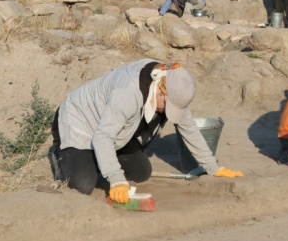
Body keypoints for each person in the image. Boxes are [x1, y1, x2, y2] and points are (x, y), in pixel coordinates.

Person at [50, 60, 242, 203]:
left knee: (141, 172)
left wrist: (213, 167)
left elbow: (189, 128)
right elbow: (102, 136)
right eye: (167, 106)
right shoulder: (128, 91)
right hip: (81, 121)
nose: (166, 113)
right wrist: (116, 179)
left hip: (114, 128)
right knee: (83, 185)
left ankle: (98, 161)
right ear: (160, 90)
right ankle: (63, 156)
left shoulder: (174, 86)